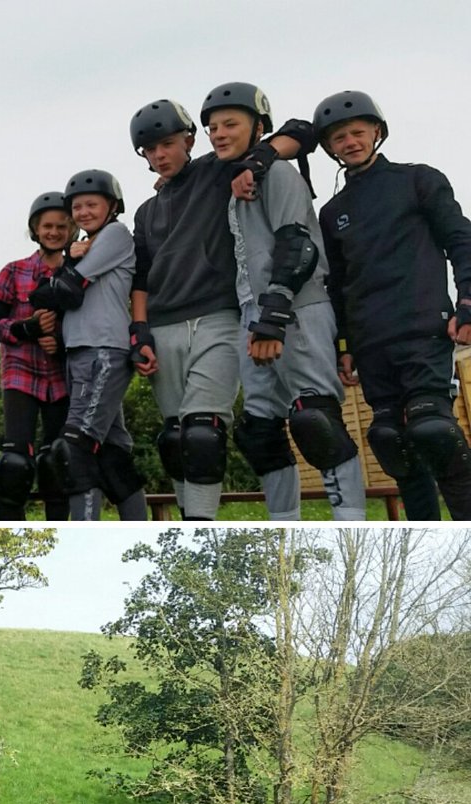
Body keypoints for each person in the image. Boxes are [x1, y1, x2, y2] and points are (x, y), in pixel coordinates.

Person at [128, 98, 311, 520]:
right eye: (150, 150)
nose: (160, 155)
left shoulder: (215, 170)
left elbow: (302, 132)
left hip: (217, 317)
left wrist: (259, 159)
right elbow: (141, 277)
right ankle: (188, 523)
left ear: (189, 140)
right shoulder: (145, 212)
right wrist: (139, 332)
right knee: (174, 439)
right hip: (163, 324)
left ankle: (202, 522)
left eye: (168, 144)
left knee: (203, 434)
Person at [201, 82, 365, 521]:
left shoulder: (277, 174)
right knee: (259, 431)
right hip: (252, 314)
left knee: (316, 422)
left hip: (295, 308)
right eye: (212, 127)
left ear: (258, 129)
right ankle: (283, 524)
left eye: (230, 124)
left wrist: (273, 319)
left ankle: (351, 522)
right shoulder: (237, 178)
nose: (218, 133)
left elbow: (298, 247)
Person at [314, 90, 471, 520]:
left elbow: (461, 239)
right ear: (329, 147)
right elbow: (338, 286)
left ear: (377, 133)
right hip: (370, 342)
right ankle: (424, 528)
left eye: (357, 133)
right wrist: (342, 345)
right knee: (390, 440)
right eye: (339, 137)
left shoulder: (418, 179)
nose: (349, 142)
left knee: (433, 430)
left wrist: (468, 300)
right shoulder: (332, 212)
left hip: (423, 329)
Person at [46, 170, 147, 521]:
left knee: (74, 450)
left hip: (104, 350)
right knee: (112, 453)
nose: (83, 212)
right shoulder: (86, 244)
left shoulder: (116, 234)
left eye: (91, 204)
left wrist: (69, 263)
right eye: (77, 207)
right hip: (80, 352)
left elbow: (67, 289)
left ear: (112, 206)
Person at [0, 192, 76, 520]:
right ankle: (10, 530)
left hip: (62, 376)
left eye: (61, 226)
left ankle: (60, 531)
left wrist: (60, 342)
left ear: (71, 230)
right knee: (15, 460)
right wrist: (27, 329)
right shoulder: (14, 271)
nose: (54, 232)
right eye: (47, 226)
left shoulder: (78, 274)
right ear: (35, 230)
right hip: (21, 370)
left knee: (58, 459)